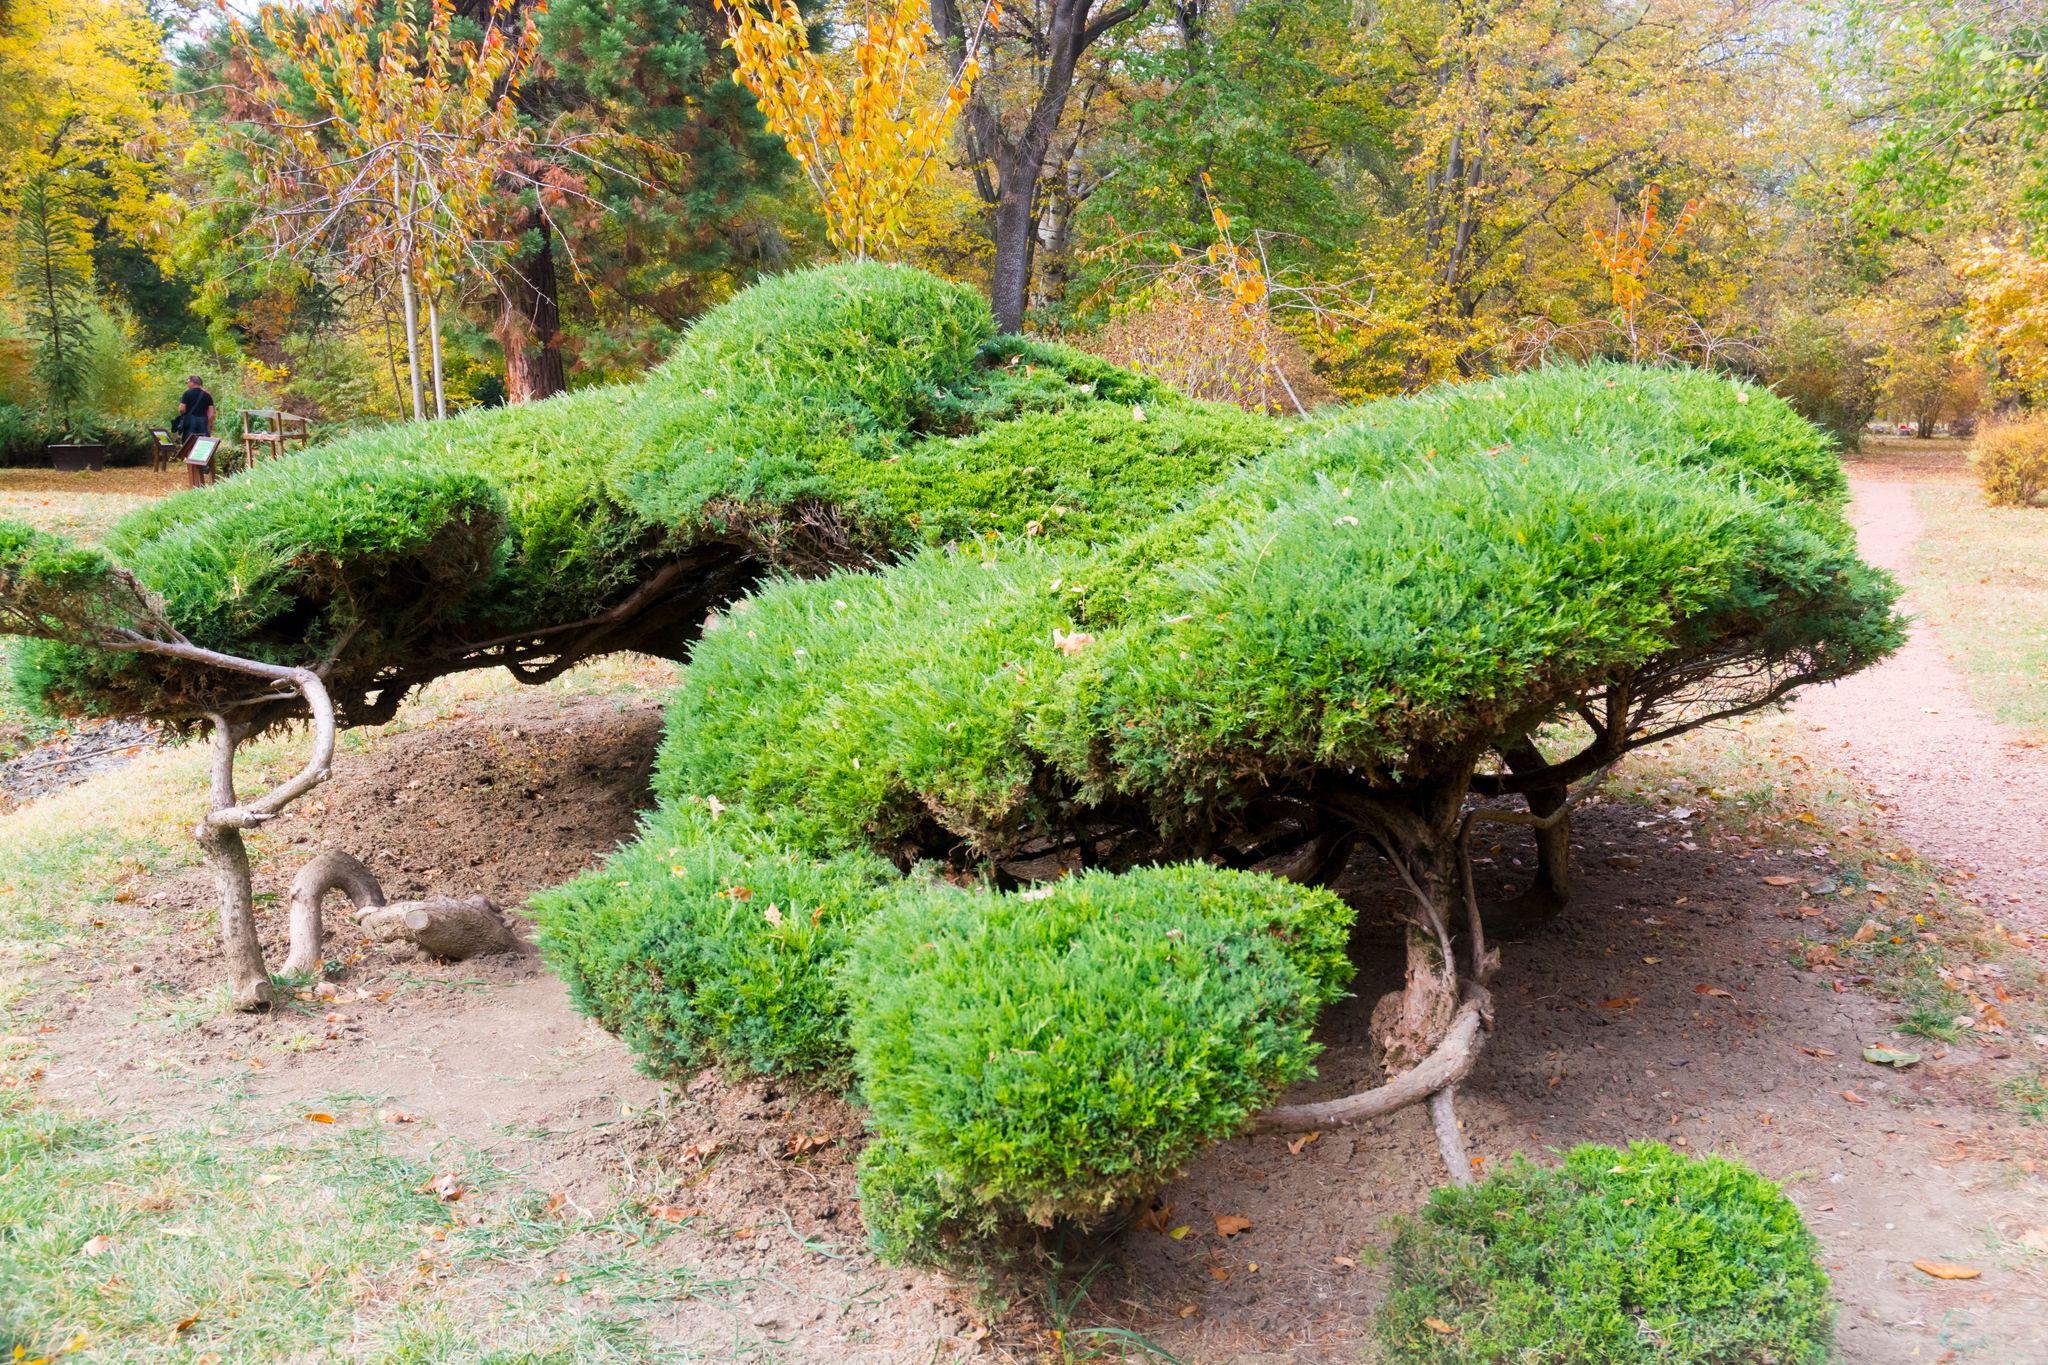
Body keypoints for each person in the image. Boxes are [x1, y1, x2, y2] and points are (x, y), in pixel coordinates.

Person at [174, 374, 215, 446]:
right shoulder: (207, 395)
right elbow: (211, 414)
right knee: (203, 445)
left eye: (187, 382)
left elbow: (181, 409)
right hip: (203, 423)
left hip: (190, 423)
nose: (187, 384)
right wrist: (209, 425)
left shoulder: (187, 393)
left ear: (192, 382)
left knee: (188, 445)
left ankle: (188, 457)